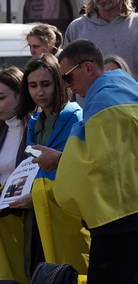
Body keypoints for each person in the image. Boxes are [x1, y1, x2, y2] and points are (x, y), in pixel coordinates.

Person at [51, 40, 138, 283]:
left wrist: (58, 158)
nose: (68, 86)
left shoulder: (104, 98)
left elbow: (100, 159)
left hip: (117, 211)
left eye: (67, 77)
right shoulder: (126, 89)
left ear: (87, 67)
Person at [16, 54, 86, 276]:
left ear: (59, 82)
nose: (39, 92)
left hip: (67, 216)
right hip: (36, 213)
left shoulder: (76, 118)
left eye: (45, 84)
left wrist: (35, 196)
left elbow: (77, 172)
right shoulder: (34, 122)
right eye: (33, 85)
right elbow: (30, 169)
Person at [0, 66, 30, 283]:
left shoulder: (36, 128)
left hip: (21, 224)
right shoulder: (3, 129)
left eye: (1, 97)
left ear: (21, 95)